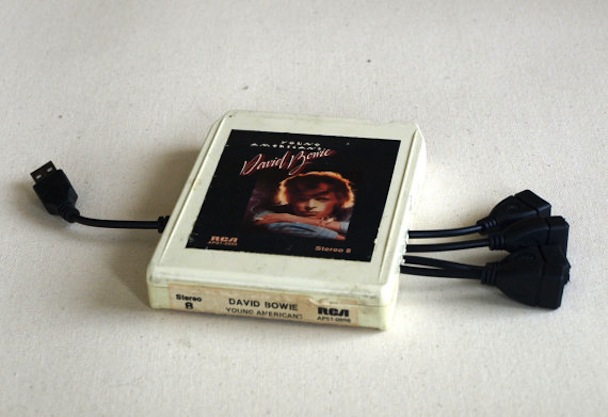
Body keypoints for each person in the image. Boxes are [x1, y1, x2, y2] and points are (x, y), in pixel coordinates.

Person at [254, 171, 354, 240]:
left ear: (339, 201)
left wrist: (291, 218)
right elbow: (274, 225)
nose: (310, 206)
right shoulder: (269, 214)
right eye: (302, 199)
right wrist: (338, 237)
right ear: (291, 200)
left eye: (321, 199)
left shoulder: (348, 214)